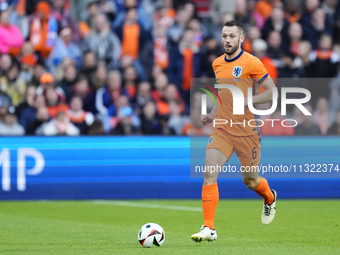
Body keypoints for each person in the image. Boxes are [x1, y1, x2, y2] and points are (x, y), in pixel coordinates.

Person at [191, 21, 278, 242]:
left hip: (247, 131)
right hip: (222, 128)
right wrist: (212, 115)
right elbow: (223, 94)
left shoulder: (252, 62)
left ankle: (269, 197)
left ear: (241, 39)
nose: (227, 40)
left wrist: (249, 100)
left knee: (250, 181)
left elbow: (272, 93)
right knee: (209, 173)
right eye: (224, 36)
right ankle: (208, 228)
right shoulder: (217, 63)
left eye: (231, 36)